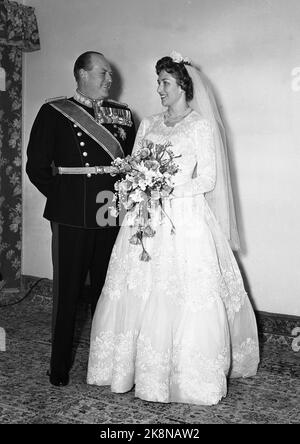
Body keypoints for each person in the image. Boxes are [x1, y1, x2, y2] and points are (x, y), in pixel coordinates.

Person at [86, 52, 259, 405]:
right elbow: (134, 165)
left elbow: (208, 178)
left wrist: (166, 188)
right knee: (134, 289)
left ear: (182, 85)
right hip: (145, 218)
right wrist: (139, 185)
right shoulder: (148, 123)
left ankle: (185, 375)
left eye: (165, 82)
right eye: (158, 82)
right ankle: (125, 368)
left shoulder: (200, 126)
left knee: (182, 293)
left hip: (185, 220)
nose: (159, 89)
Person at [26, 51, 136, 387]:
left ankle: (105, 366)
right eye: (102, 73)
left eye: (110, 75)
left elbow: (131, 164)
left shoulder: (124, 115)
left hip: (109, 214)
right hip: (71, 216)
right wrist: (64, 199)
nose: (108, 80)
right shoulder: (54, 112)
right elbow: (36, 166)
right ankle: (59, 366)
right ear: (81, 74)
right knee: (68, 293)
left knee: (108, 292)